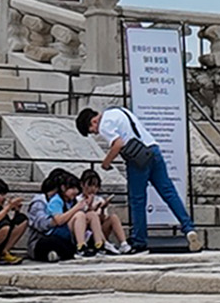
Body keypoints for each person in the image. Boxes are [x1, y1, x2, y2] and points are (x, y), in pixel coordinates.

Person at [76, 106, 202, 253]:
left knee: (137, 199)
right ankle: (188, 228)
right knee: (169, 192)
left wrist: (106, 162)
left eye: (92, 131)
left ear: (93, 121)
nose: (96, 133)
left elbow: (118, 144)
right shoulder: (118, 111)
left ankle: (139, 240)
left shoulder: (104, 124)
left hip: (137, 159)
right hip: (153, 149)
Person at [25, 170, 79, 263]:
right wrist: (58, 219)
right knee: (52, 242)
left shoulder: (68, 201)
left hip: (63, 234)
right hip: (41, 239)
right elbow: (41, 224)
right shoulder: (40, 202)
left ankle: (61, 254)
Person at [47, 173, 105, 258]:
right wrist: (76, 208)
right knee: (80, 215)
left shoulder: (71, 200)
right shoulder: (56, 200)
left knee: (91, 214)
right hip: (59, 231)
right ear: (63, 188)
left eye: (76, 189)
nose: (75, 192)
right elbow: (59, 220)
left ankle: (99, 245)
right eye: (72, 188)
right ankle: (81, 246)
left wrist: (89, 207)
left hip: (71, 226)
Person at [79, 168, 131, 255]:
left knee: (113, 217)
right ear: (82, 184)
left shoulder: (99, 199)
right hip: (86, 234)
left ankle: (123, 244)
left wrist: (102, 209)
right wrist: (91, 208)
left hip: (100, 231)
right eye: (90, 185)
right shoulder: (78, 200)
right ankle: (104, 244)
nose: (92, 189)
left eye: (96, 186)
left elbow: (103, 219)